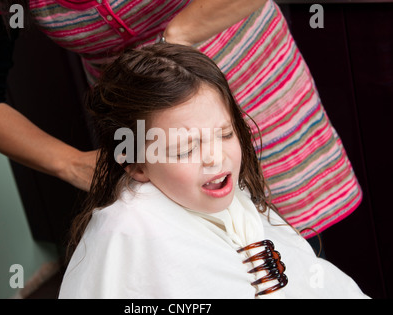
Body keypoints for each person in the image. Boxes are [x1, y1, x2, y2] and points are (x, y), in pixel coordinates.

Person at [0, 0, 362, 243]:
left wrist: (176, 38)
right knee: (196, 264)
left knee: (288, 255)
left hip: (256, 94)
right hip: (147, 142)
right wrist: (73, 164)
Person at [58, 43, 368, 298]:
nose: (214, 157)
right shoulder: (133, 237)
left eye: (224, 134)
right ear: (136, 164)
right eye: (184, 148)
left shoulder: (237, 203)